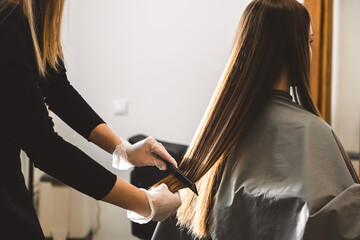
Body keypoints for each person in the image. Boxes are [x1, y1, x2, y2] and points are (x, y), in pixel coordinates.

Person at [151, 0, 360, 239]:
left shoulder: (216, 136)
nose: (310, 50)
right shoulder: (316, 133)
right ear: (295, 50)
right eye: (309, 42)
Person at [0, 0, 181, 239]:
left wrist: (122, 150)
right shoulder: (8, 19)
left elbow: (57, 88)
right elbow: (42, 144)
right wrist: (145, 203)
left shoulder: (32, 15)